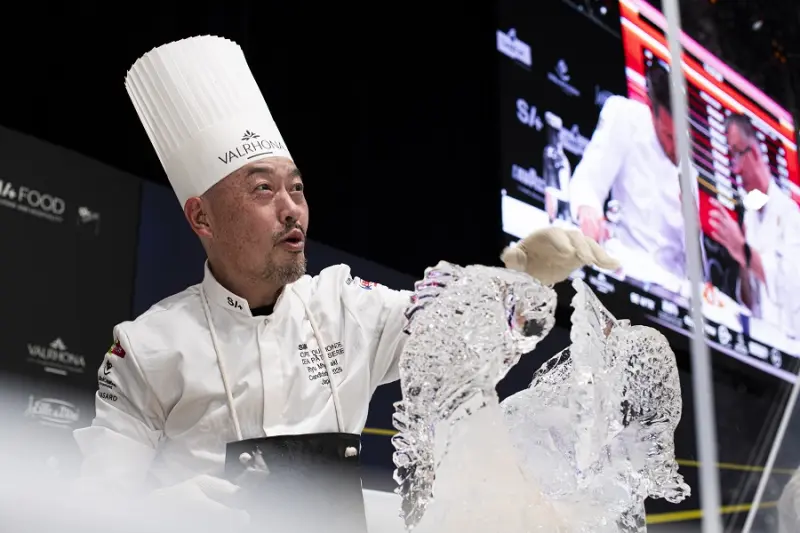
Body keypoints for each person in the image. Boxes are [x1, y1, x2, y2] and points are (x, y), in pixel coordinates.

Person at [72, 35, 614, 528]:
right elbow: (89, 504)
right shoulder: (147, 348)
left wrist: (518, 276)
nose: (292, 211)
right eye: (262, 190)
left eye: (297, 189)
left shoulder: (345, 305)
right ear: (201, 218)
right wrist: (154, 513)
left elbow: (452, 335)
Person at [569, 62, 696, 281]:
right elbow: (588, 181)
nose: (676, 149)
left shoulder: (690, 172)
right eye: (668, 136)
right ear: (651, 110)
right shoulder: (625, 117)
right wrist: (588, 210)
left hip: (673, 289)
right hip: (625, 271)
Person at [709, 113, 800, 336]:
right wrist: (741, 256)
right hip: (762, 346)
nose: (735, 169)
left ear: (756, 153)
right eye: (732, 158)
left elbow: (792, 290)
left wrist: (744, 251)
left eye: (738, 155)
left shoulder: (791, 214)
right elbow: (749, 302)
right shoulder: (749, 217)